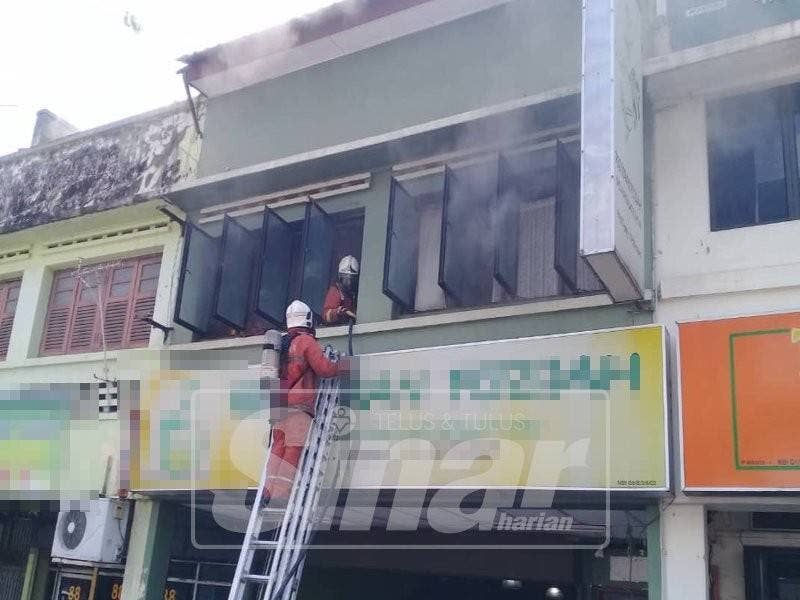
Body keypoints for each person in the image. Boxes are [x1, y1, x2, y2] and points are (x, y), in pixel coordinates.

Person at [263, 300, 342, 503]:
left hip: (278, 403)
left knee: (278, 446)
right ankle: (281, 493)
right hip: (298, 406)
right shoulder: (306, 342)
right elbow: (324, 369)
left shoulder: (282, 344)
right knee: (293, 447)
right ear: (308, 319)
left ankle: (267, 490)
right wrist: (345, 365)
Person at [322, 255, 359, 325]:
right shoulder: (335, 291)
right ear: (340, 277)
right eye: (345, 279)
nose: (348, 283)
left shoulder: (356, 294)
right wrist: (341, 312)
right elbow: (326, 315)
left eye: (351, 279)